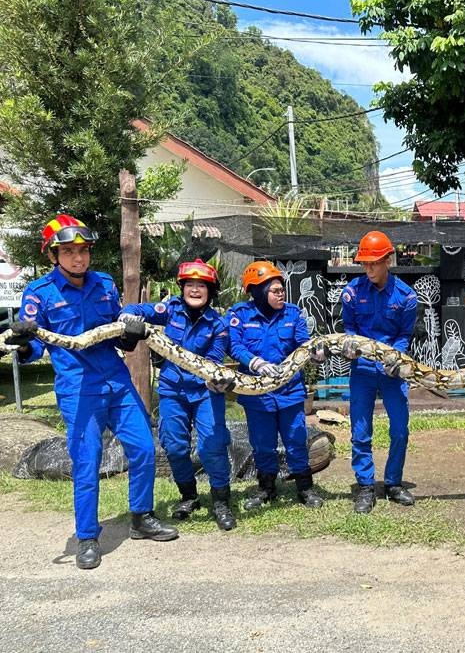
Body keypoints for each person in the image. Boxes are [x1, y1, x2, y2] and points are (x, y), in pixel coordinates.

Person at [2, 214, 177, 570]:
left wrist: (129, 332)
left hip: (118, 383)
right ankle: (87, 537)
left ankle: (142, 517)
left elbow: (117, 325)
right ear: (53, 255)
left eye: (82, 250)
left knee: (144, 449)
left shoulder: (104, 284)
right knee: (87, 463)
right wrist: (22, 346)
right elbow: (35, 347)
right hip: (78, 390)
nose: (78, 258)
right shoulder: (40, 293)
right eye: (68, 251)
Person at [119, 259, 236, 531]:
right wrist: (127, 316)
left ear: (211, 290)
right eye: (190, 285)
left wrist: (214, 379)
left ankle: (221, 501)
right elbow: (136, 308)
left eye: (201, 286)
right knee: (173, 445)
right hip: (173, 390)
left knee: (212, 445)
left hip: (205, 391)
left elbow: (215, 359)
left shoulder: (218, 325)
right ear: (182, 288)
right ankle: (189, 496)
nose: (195, 290)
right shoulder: (169, 310)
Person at [225, 261, 325, 510]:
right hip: (258, 394)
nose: (281, 294)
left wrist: (316, 352)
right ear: (258, 291)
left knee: (295, 438)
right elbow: (234, 346)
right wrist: (255, 362)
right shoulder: (240, 315)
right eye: (275, 290)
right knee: (262, 443)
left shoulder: (292, 314)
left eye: (282, 290)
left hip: (289, 391)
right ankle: (266, 488)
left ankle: (305, 487)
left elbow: (304, 343)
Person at [339, 231, 417, 514]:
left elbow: (405, 333)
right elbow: (349, 329)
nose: (368, 268)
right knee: (360, 431)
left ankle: (394, 483)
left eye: (374, 262)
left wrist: (394, 357)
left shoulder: (407, 297)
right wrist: (349, 345)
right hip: (361, 370)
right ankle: (365, 486)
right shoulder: (351, 293)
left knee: (399, 429)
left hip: (392, 370)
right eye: (365, 263)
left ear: (388, 260)